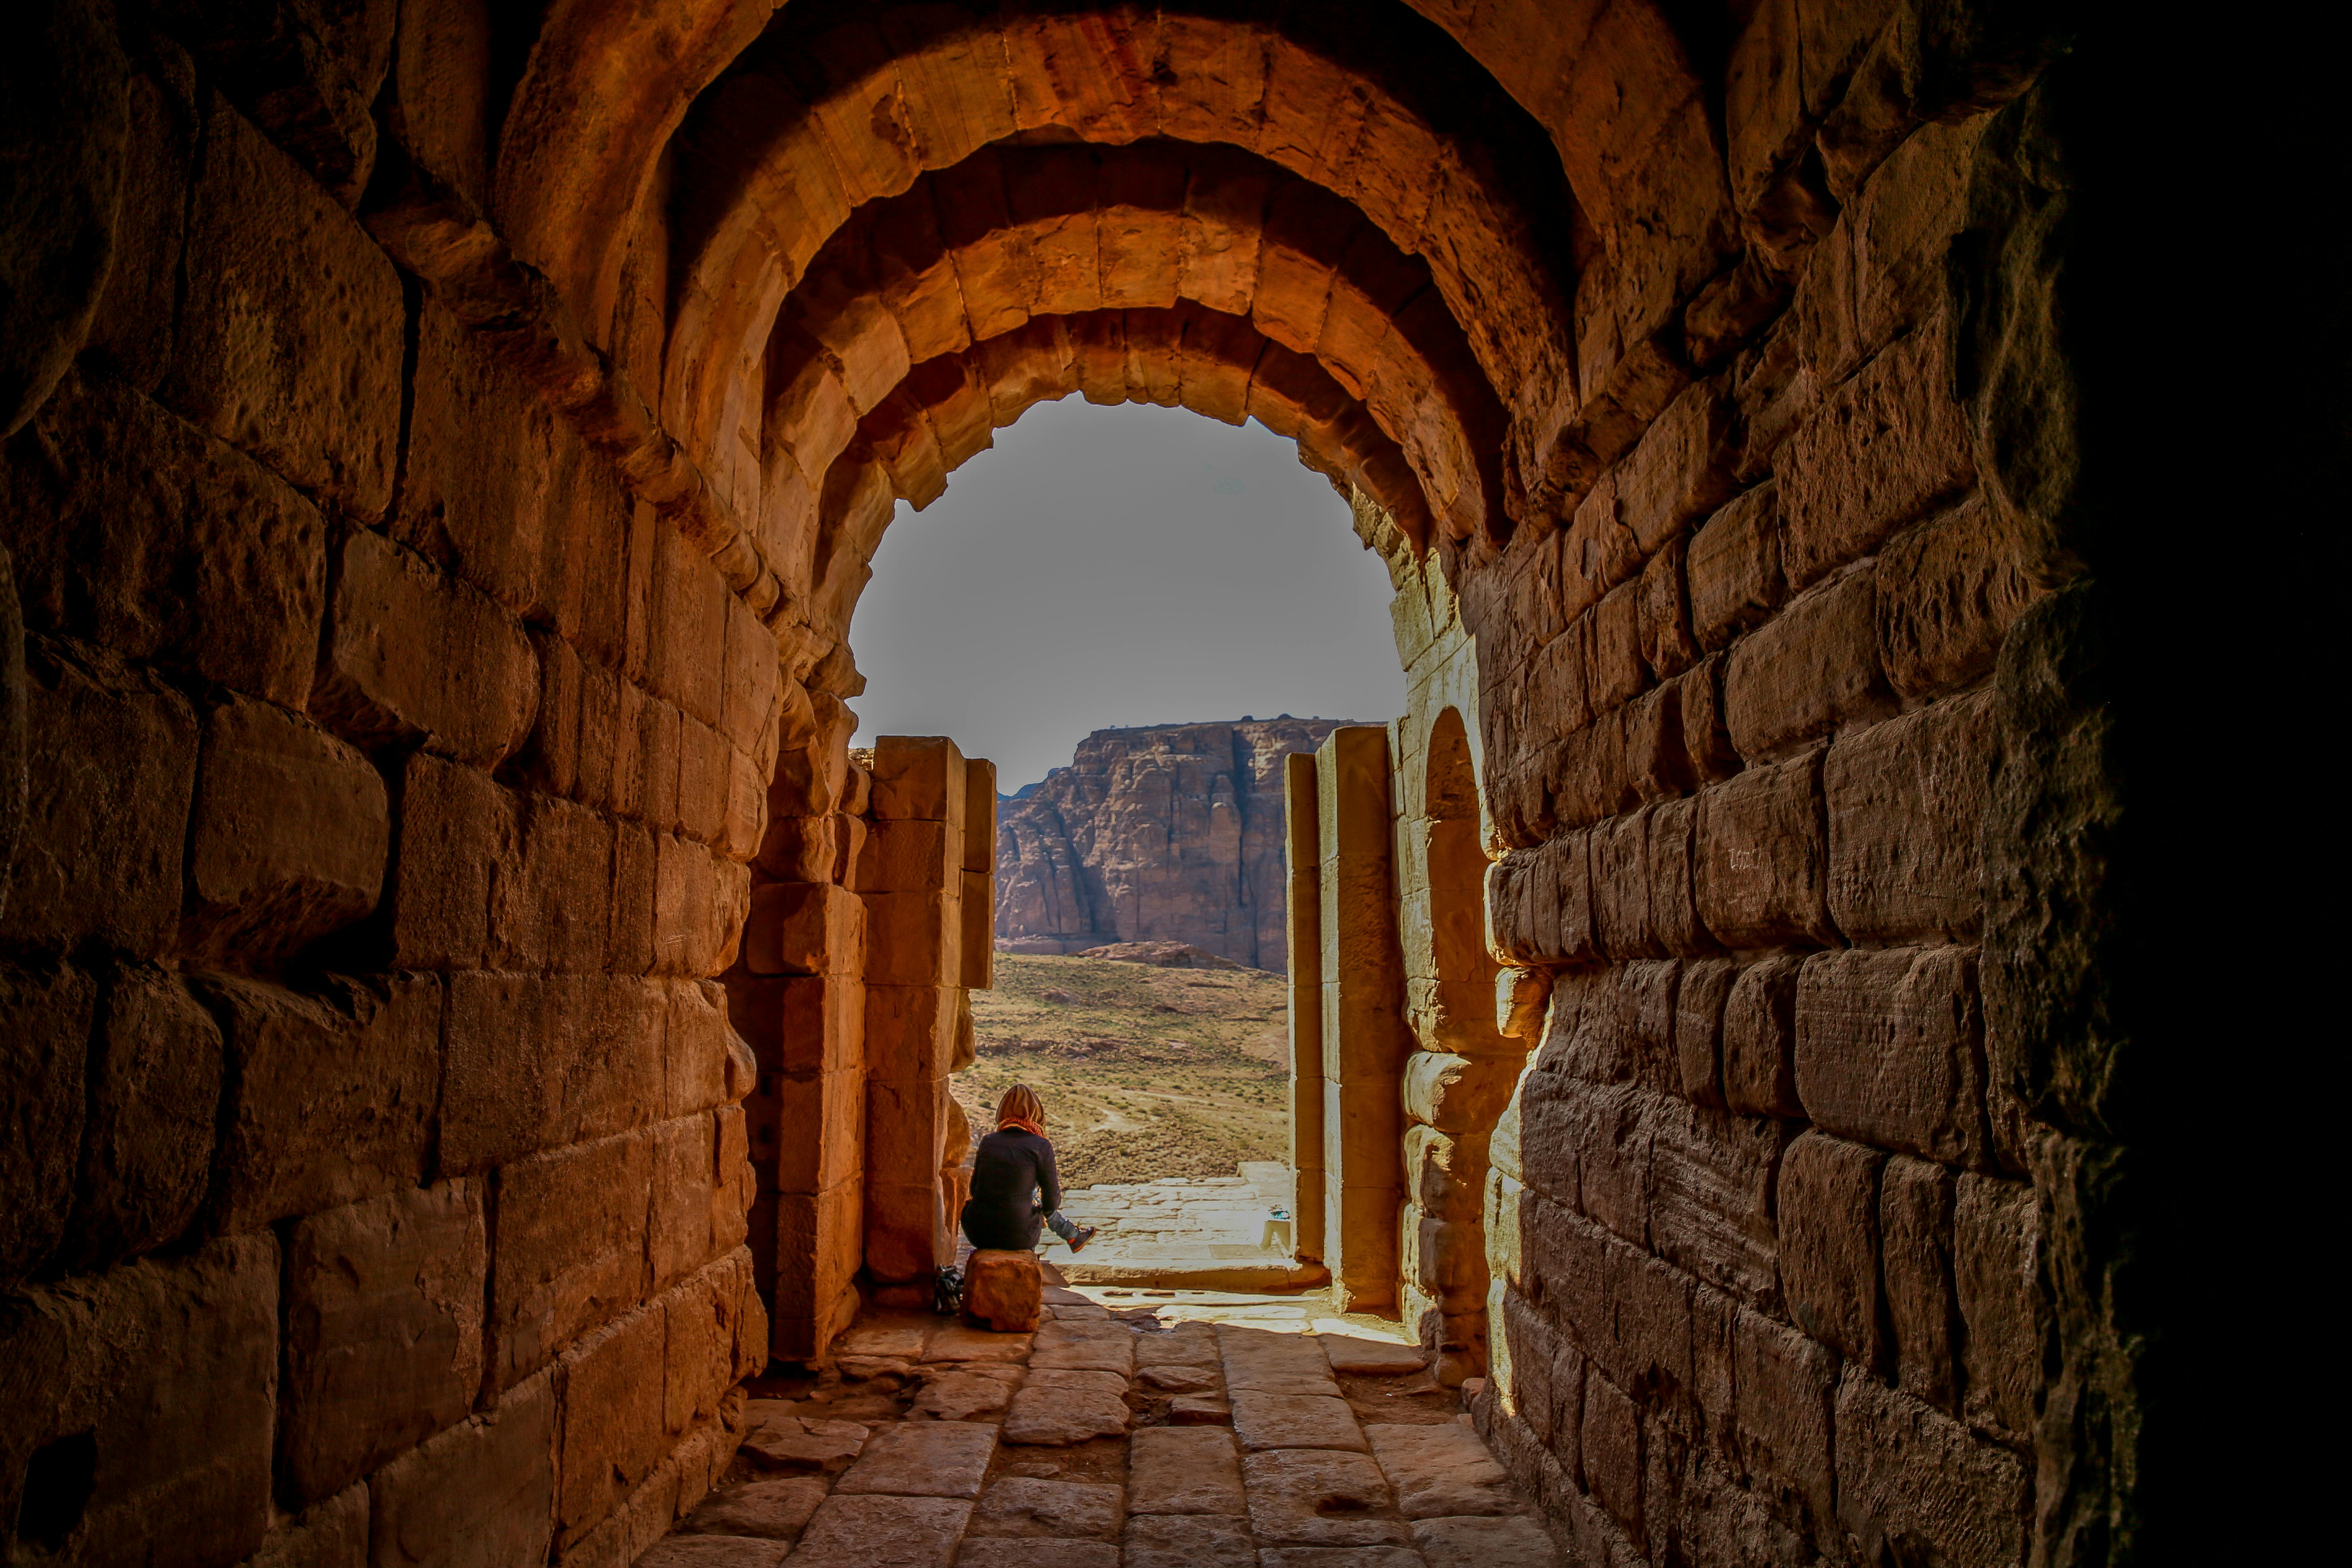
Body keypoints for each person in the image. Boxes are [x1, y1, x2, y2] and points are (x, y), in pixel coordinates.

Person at [962, 1084, 1097, 1254]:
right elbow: (1052, 1200)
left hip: (977, 1233)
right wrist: (1039, 1208)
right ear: (1036, 1113)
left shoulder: (989, 1141)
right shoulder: (1040, 1146)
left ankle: (1072, 1235)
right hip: (1019, 1235)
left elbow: (975, 1189)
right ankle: (1069, 1236)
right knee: (1028, 1208)